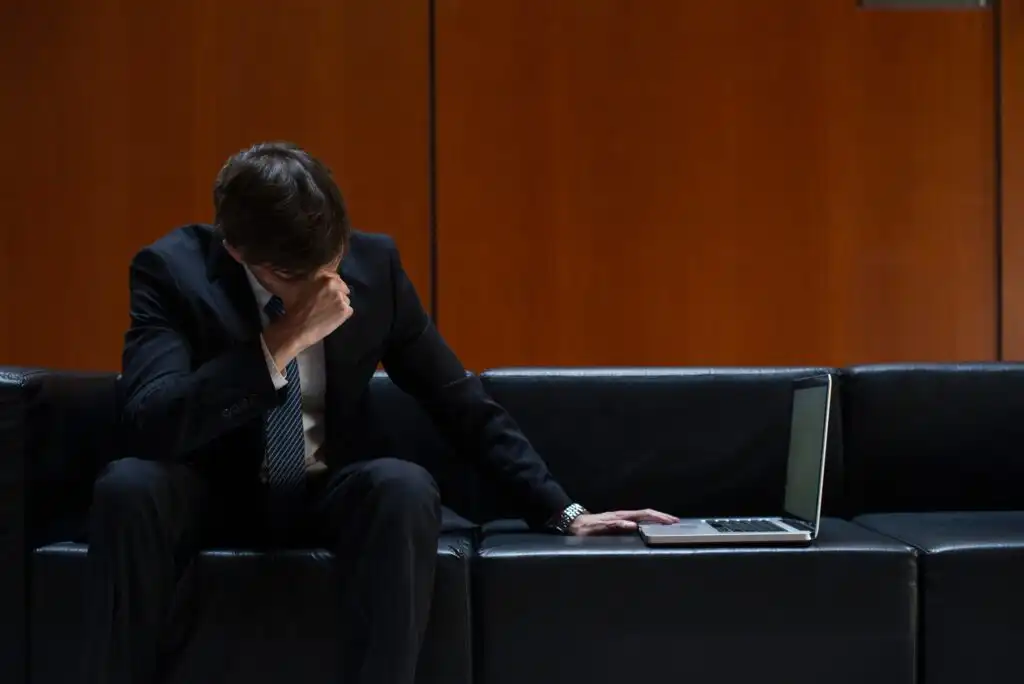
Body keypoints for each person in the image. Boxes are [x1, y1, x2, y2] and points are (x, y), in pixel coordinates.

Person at [84, 141, 677, 684]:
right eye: (296, 277)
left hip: (325, 490)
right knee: (128, 486)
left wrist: (565, 512)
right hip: (211, 490)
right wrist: (280, 342)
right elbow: (150, 420)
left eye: (332, 260)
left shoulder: (374, 267)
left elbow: (456, 400)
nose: (325, 286)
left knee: (403, 485)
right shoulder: (173, 270)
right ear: (236, 250)